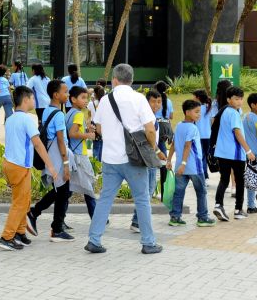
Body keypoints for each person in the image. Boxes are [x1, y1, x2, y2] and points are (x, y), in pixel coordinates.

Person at [85, 64, 162, 255]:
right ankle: (148, 242)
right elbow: (150, 129)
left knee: (105, 199)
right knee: (142, 199)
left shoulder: (105, 100)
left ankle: (94, 239)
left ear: (114, 79)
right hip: (134, 159)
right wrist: (151, 148)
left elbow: (99, 128)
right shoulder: (138, 98)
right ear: (132, 80)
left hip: (110, 158)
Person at [0, 86, 58, 251]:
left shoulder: (10, 118)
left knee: (25, 200)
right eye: (32, 98)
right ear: (26, 100)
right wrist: (51, 166)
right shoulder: (26, 120)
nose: (34, 101)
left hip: (11, 164)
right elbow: (37, 143)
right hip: (19, 166)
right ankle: (6, 237)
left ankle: (20, 232)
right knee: (19, 203)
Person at [26, 80, 73, 242]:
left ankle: (45, 219)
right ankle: (55, 228)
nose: (67, 95)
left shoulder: (47, 111)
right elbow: (61, 140)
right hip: (59, 157)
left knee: (62, 191)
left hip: (52, 156)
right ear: (56, 95)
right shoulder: (59, 114)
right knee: (64, 191)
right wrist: (66, 164)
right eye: (65, 92)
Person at [165, 100, 216, 227]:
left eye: (199, 112)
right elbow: (188, 145)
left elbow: (173, 145)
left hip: (180, 168)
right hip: (194, 167)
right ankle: (203, 217)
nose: (199, 115)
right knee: (201, 192)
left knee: (179, 192)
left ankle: (175, 217)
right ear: (187, 112)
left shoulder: (178, 125)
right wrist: (183, 163)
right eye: (196, 112)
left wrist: (169, 160)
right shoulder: (193, 128)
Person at [212, 86, 257, 222]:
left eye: (241, 99)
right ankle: (238, 210)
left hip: (222, 152)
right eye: (236, 99)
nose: (239, 102)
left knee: (224, 180)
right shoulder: (234, 113)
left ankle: (218, 205)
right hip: (236, 154)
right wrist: (248, 151)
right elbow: (237, 132)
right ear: (228, 99)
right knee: (240, 181)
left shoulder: (224, 111)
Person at [131, 89, 163, 233]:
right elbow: (148, 136)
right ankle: (138, 222)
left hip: (148, 156)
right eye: (153, 101)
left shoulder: (152, 117)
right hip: (148, 156)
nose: (156, 105)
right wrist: (156, 151)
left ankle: (137, 221)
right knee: (147, 190)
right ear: (146, 102)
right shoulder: (148, 118)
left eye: (159, 101)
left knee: (146, 190)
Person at [65, 86, 97, 218]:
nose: (86, 100)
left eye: (87, 98)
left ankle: (60, 220)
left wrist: (87, 129)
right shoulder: (78, 114)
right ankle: (97, 217)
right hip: (79, 155)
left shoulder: (69, 113)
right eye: (83, 98)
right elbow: (73, 133)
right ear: (73, 99)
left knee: (69, 190)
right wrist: (88, 135)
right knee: (88, 188)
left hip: (72, 153)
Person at [193, 89, 214, 180]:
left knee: (201, 157)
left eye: (193, 96)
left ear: (197, 97)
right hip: (209, 135)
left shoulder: (196, 109)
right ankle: (206, 175)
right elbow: (212, 122)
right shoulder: (209, 107)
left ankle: (204, 175)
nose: (192, 98)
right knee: (208, 156)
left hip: (199, 136)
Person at [87, 85, 105, 161]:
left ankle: (95, 164)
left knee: (96, 145)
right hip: (103, 125)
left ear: (95, 93)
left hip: (95, 125)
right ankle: (100, 163)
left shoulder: (91, 103)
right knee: (102, 145)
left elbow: (88, 115)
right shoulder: (104, 103)